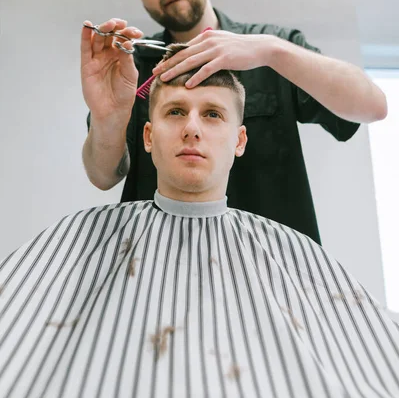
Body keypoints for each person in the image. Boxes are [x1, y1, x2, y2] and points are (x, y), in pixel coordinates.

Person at [1, 50, 398, 398]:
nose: (192, 127)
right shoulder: (85, 239)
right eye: (175, 112)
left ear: (239, 141)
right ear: (148, 137)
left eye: (212, 114)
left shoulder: (291, 252)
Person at [81, 0, 387, 245]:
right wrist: (107, 116)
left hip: (273, 269)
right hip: (162, 267)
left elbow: (374, 106)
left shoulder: (272, 51)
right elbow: (103, 176)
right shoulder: (134, 67)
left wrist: (272, 51)